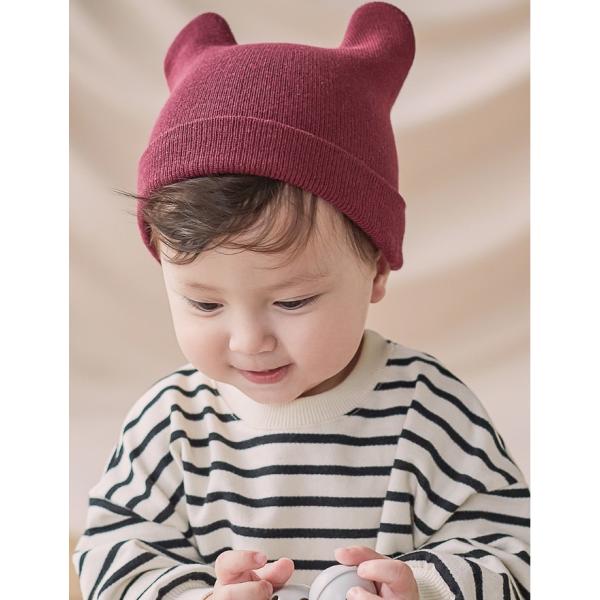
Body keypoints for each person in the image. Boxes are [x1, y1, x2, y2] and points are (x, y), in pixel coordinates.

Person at [73, 3, 530, 599]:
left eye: (292, 302)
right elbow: (113, 562)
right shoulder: (173, 422)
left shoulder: (430, 411)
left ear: (375, 269)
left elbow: (514, 556)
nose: (249, 341)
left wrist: (425, 588)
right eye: (205, 305)